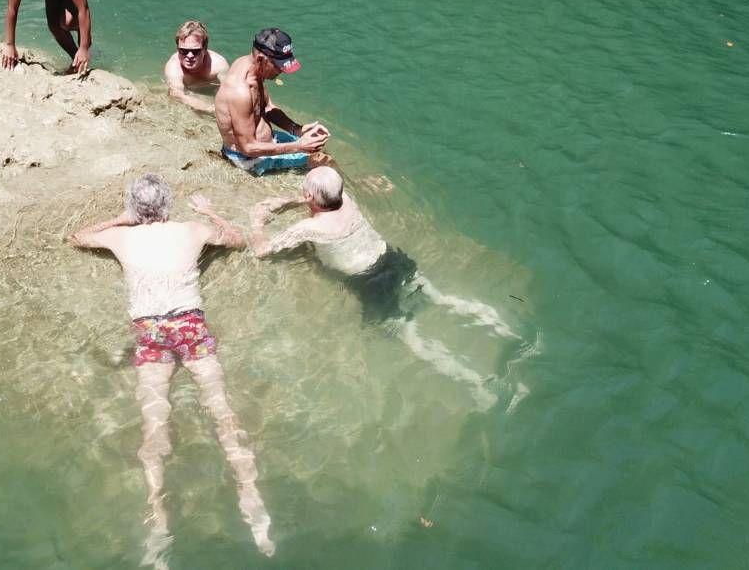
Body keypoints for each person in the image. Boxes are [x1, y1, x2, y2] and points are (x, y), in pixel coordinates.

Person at [70, 175, 275, 563]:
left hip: (150, 331)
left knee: (154, 425)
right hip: (190, 326)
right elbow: (236, 240)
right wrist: (210, 212)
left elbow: (77, 237)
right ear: (167, 204)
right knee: (222, 412)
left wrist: (120, 219)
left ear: (135, 207)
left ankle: (158, 521)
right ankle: (252, 502)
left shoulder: (121, 237)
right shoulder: (191, 229)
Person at [250, 167, 519, 409]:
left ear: (309, 195)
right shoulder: (348, 201)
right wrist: (295, 200)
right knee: (442, 298)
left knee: (410, 334)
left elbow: (262, 252)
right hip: (391, 259)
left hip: (368, 281)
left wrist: (257, 222)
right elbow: (325, 199)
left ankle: (476, 384)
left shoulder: (309, 227)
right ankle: (506, 330)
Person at [214, 28, 331, 176]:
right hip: (250, 159)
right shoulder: (240, 91)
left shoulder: (252, 66)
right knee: (325, 162)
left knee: (319, 149)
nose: (281, 70)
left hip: (266, 145)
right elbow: (247, 147)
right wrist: (298, 146)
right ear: (261, 59)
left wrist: (297, 129)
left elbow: (267, 107)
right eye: (278, 65)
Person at [163, 20, 229, 114]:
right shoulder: (173, 67)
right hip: (190, 93)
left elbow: (230, 91)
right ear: (177, 49)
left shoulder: (218, 64)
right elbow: (177, 96)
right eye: (183, 51)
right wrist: (209, 108)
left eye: (195, 51)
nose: (189, 56)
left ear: (205, 49)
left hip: (211, 90)